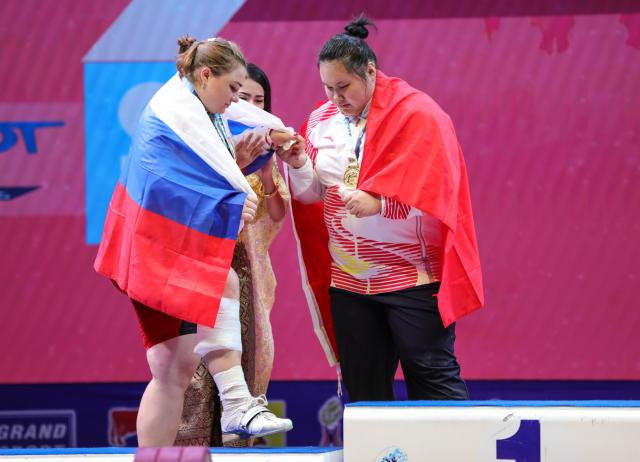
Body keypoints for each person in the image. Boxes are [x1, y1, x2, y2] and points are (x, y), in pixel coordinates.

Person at [94, 35, 295, 447]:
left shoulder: (202, 113)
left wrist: (269, 143)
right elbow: (174, 186)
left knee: (173, 369)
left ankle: (198, 431)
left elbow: (214, 166)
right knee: (221, 291)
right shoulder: (174, 117)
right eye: (233, 90)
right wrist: (237, 191)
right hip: (149, 248)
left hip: (161, 248)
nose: (236, 100)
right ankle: (238, 404)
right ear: (205, 75)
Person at [278, 16, 484, 402]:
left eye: (344, 86)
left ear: (370, 71)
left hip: (412, 279)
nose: (336, 98)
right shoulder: (320, 120)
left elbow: (439, 193)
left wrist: (380, 203)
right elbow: (311, 197)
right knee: (364, 397)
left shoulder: (417, 114)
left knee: (434, 383)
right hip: (350, 283)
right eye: (327, 88)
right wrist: (298, 164)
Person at [176, 63, 291, 447]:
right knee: (187, 373)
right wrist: (238, 163)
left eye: (260, 101)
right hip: (205, 265)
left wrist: (270, 168)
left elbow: (275, 215)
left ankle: (239, 440)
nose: (251, 106)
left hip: (252, 275)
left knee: (250, 363)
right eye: (243, 97)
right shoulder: (206, 142)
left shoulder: (265, 148)